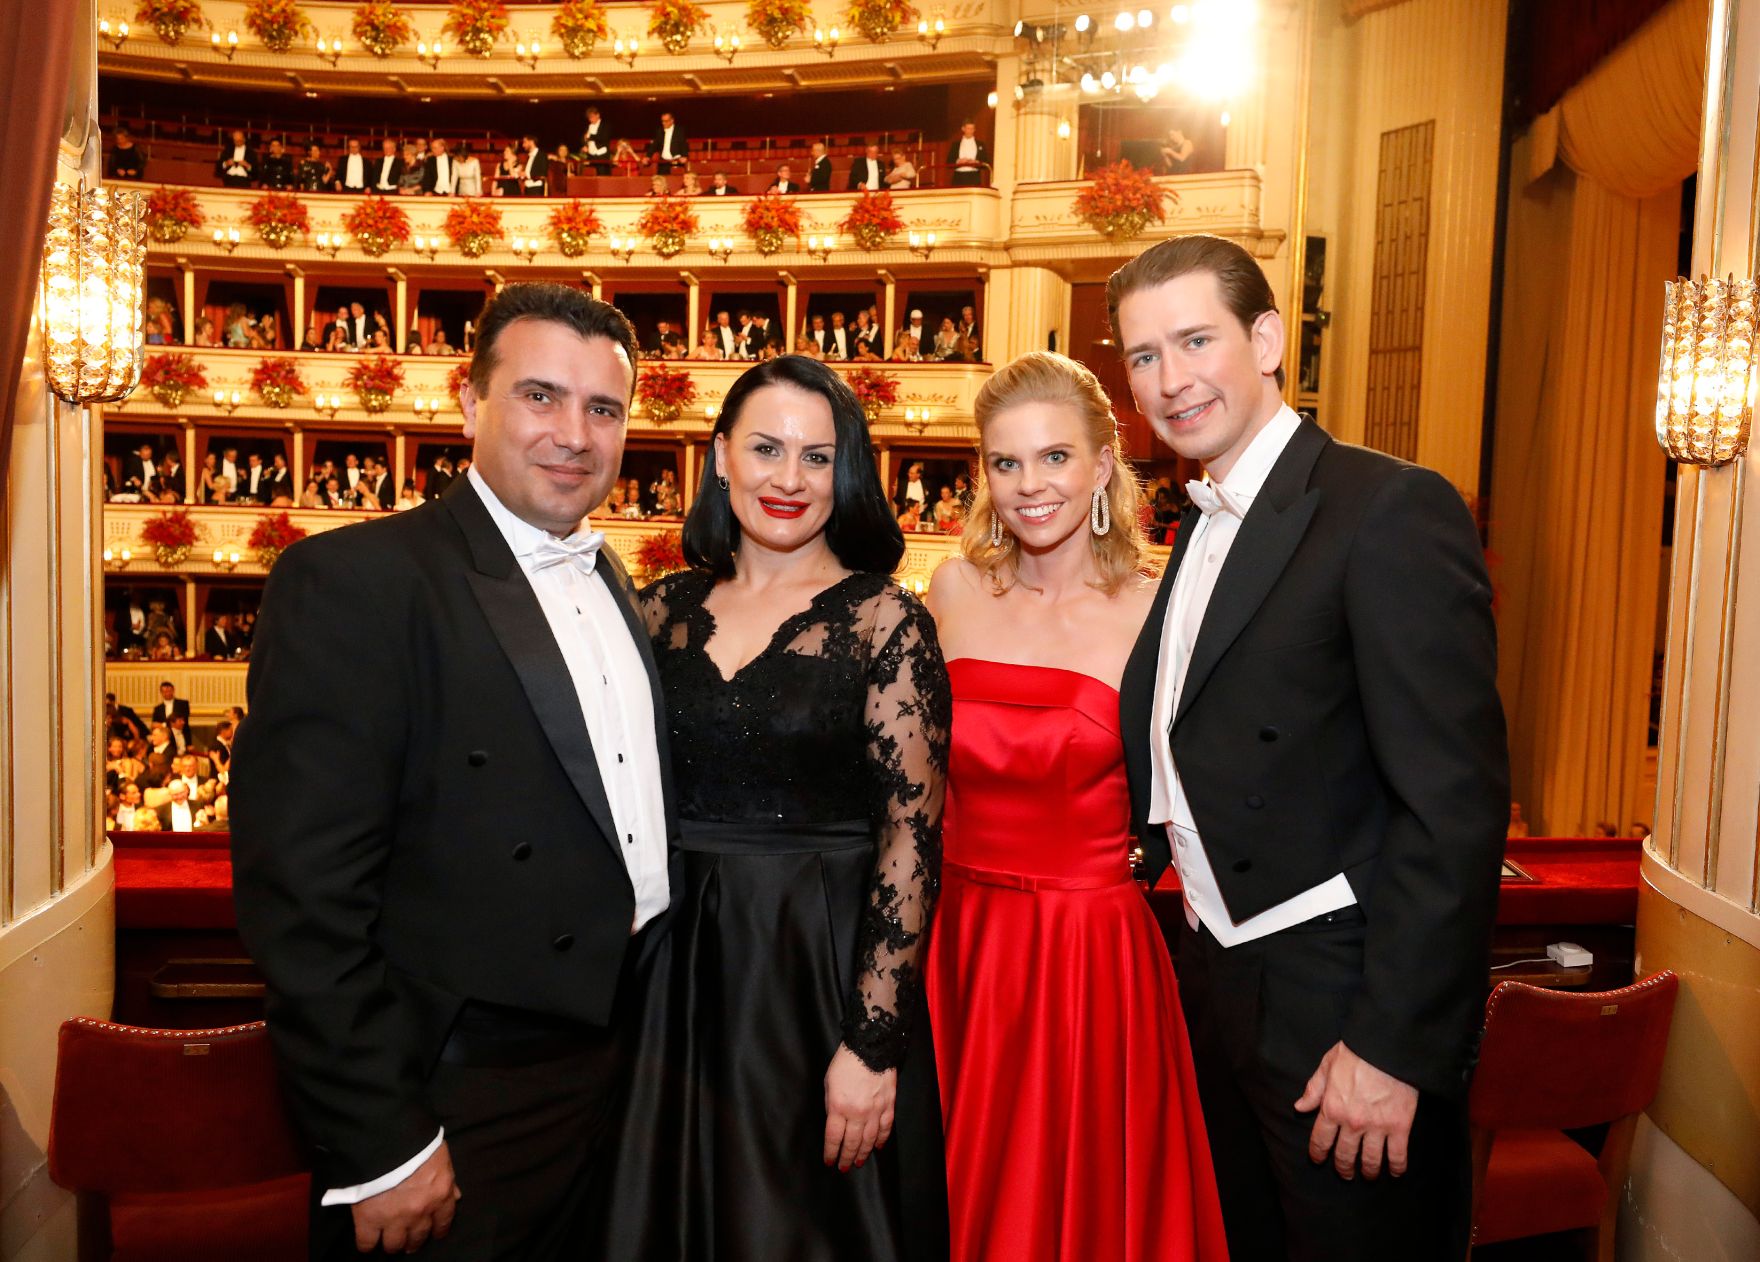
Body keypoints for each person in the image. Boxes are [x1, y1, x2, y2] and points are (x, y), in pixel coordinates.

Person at [233, 283, 676, 1261]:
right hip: (459, 1086)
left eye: (603, 408)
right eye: (540, 396)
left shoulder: (612, 577)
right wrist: (382, 1141)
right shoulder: (356, 581)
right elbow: (301, 899)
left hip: (620, 1065)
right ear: (469, 402)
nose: (574, 434)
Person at [1109, 234, 1508, 1260]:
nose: (1170, 378)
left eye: (1195, 340)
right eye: (1144, 355)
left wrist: (1392, 1046)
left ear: (1267, 341)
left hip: (1342, 1001)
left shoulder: (1388, 506)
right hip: (1217, 978)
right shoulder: (1198, 519)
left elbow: (1452, 805)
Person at [597, 354, 950, 1261]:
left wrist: (872, 1044)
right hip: (669, 981)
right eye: (766, 448)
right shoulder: (656, 611)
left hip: (814, 977)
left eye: (817, 456)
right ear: (721, 456)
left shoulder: (886, 622)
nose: (789, 478)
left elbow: (911, 838)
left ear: (846, 472)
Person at [924, 351, 1227, 1261]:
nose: (1030, 486)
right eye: (1006, 462)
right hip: (955, 946)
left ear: (1102, 465)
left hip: (1086, 958)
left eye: (1055, 457)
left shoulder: (1158, 609)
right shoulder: (951, 591)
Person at [944, 121, 989, 187]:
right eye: (968, 128)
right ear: (963, 129)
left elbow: (986, 162)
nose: (970, 131)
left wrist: (976, 162)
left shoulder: (980, 144)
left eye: (972, 129)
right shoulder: (955, 145)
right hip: (959, 176)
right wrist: (958, 161)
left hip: (974, 176)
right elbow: (949, 162)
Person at [582, 106, 612, 174]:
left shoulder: (605, 125)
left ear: (598, 115)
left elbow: (603, 138)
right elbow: (585, 138)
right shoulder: (589, 126)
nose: (590, 119)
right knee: (590, 175)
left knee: (602, 176)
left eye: (591, 117)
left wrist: (590, 137)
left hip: (601, 155)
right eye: (589, 118)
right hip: (591, 156)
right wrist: (585, 145)